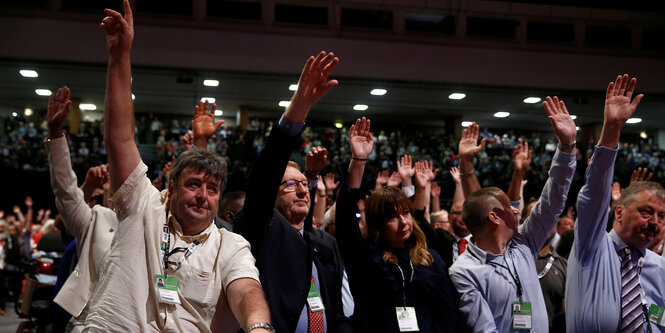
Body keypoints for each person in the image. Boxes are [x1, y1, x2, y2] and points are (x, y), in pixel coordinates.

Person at [86, 2, 272, 332]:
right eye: (193, 185)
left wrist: (259, 327)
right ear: (170, 189)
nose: (203, 195)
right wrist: (119, 58)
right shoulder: (141, 205)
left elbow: (246, 290)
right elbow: (120, 139)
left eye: (213, 189)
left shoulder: (229, 246)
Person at [233, 51, 351, 332]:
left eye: (304, 183)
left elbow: (335, 310)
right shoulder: (262, 229)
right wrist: (300, 105)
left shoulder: (321, 243)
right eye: (289, 184)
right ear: (272, 196)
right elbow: (264, 177)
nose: (302, 190)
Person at [449, 95, 577, 332]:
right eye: (509, 207)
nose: (516, 209)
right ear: (495, 217)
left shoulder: (523, 244)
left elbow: (552, 200)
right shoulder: (464, 271)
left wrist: (567, 147)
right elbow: (484, 329)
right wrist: (466, 166)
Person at [335, 117, 458, 332]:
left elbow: (446, 313)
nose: (403, 222)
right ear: (377, 224)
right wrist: (359, 160)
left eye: (406, 214)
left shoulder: (431, 259)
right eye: (392, 217)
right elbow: (345, 217)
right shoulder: (365, 256)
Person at [566, 74, 665, 332]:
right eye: (646, 212)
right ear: (618, 212)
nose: (654, 222)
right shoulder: (592, 246)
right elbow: (594, 195)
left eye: (661, 216)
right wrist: (612, 129)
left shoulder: (659, 267)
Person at [44, 86, 120, 332]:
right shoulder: (97, 219)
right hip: (88, 322)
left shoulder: (150, 220)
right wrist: (56, 133)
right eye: (110, 183)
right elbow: (66, 192)